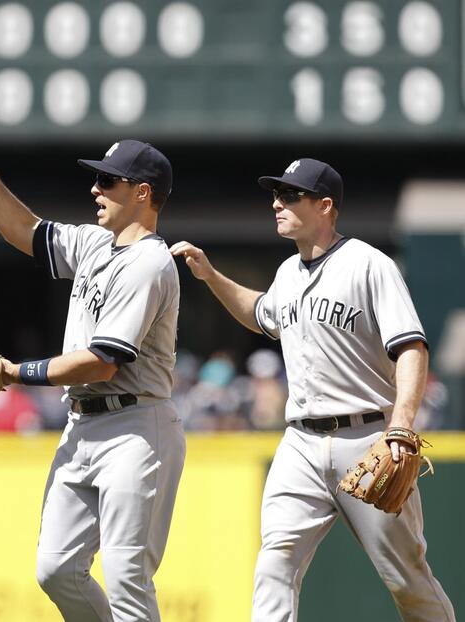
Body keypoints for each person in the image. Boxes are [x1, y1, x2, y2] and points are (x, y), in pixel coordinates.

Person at [170, 158, 455, 621]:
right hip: (299, 442)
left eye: (290, 195)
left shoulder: (368, 264)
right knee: (275, 562)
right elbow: (262, 313)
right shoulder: (288, 273)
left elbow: (413, 349)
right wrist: (211, 276)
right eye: (276, 195)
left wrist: (400, 428)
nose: (277, 203)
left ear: (325, 206)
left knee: (407, 579)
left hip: (366, 438)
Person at [0, 94, 186, 622]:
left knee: (129, 580)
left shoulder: (149, 263)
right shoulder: (94, 244)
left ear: (143, 193)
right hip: (82, 425)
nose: (95, 188)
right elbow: (24, 230)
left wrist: (14, 373)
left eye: (108, 181)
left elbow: (102, 361)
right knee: (56, 569)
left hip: (137, 427)